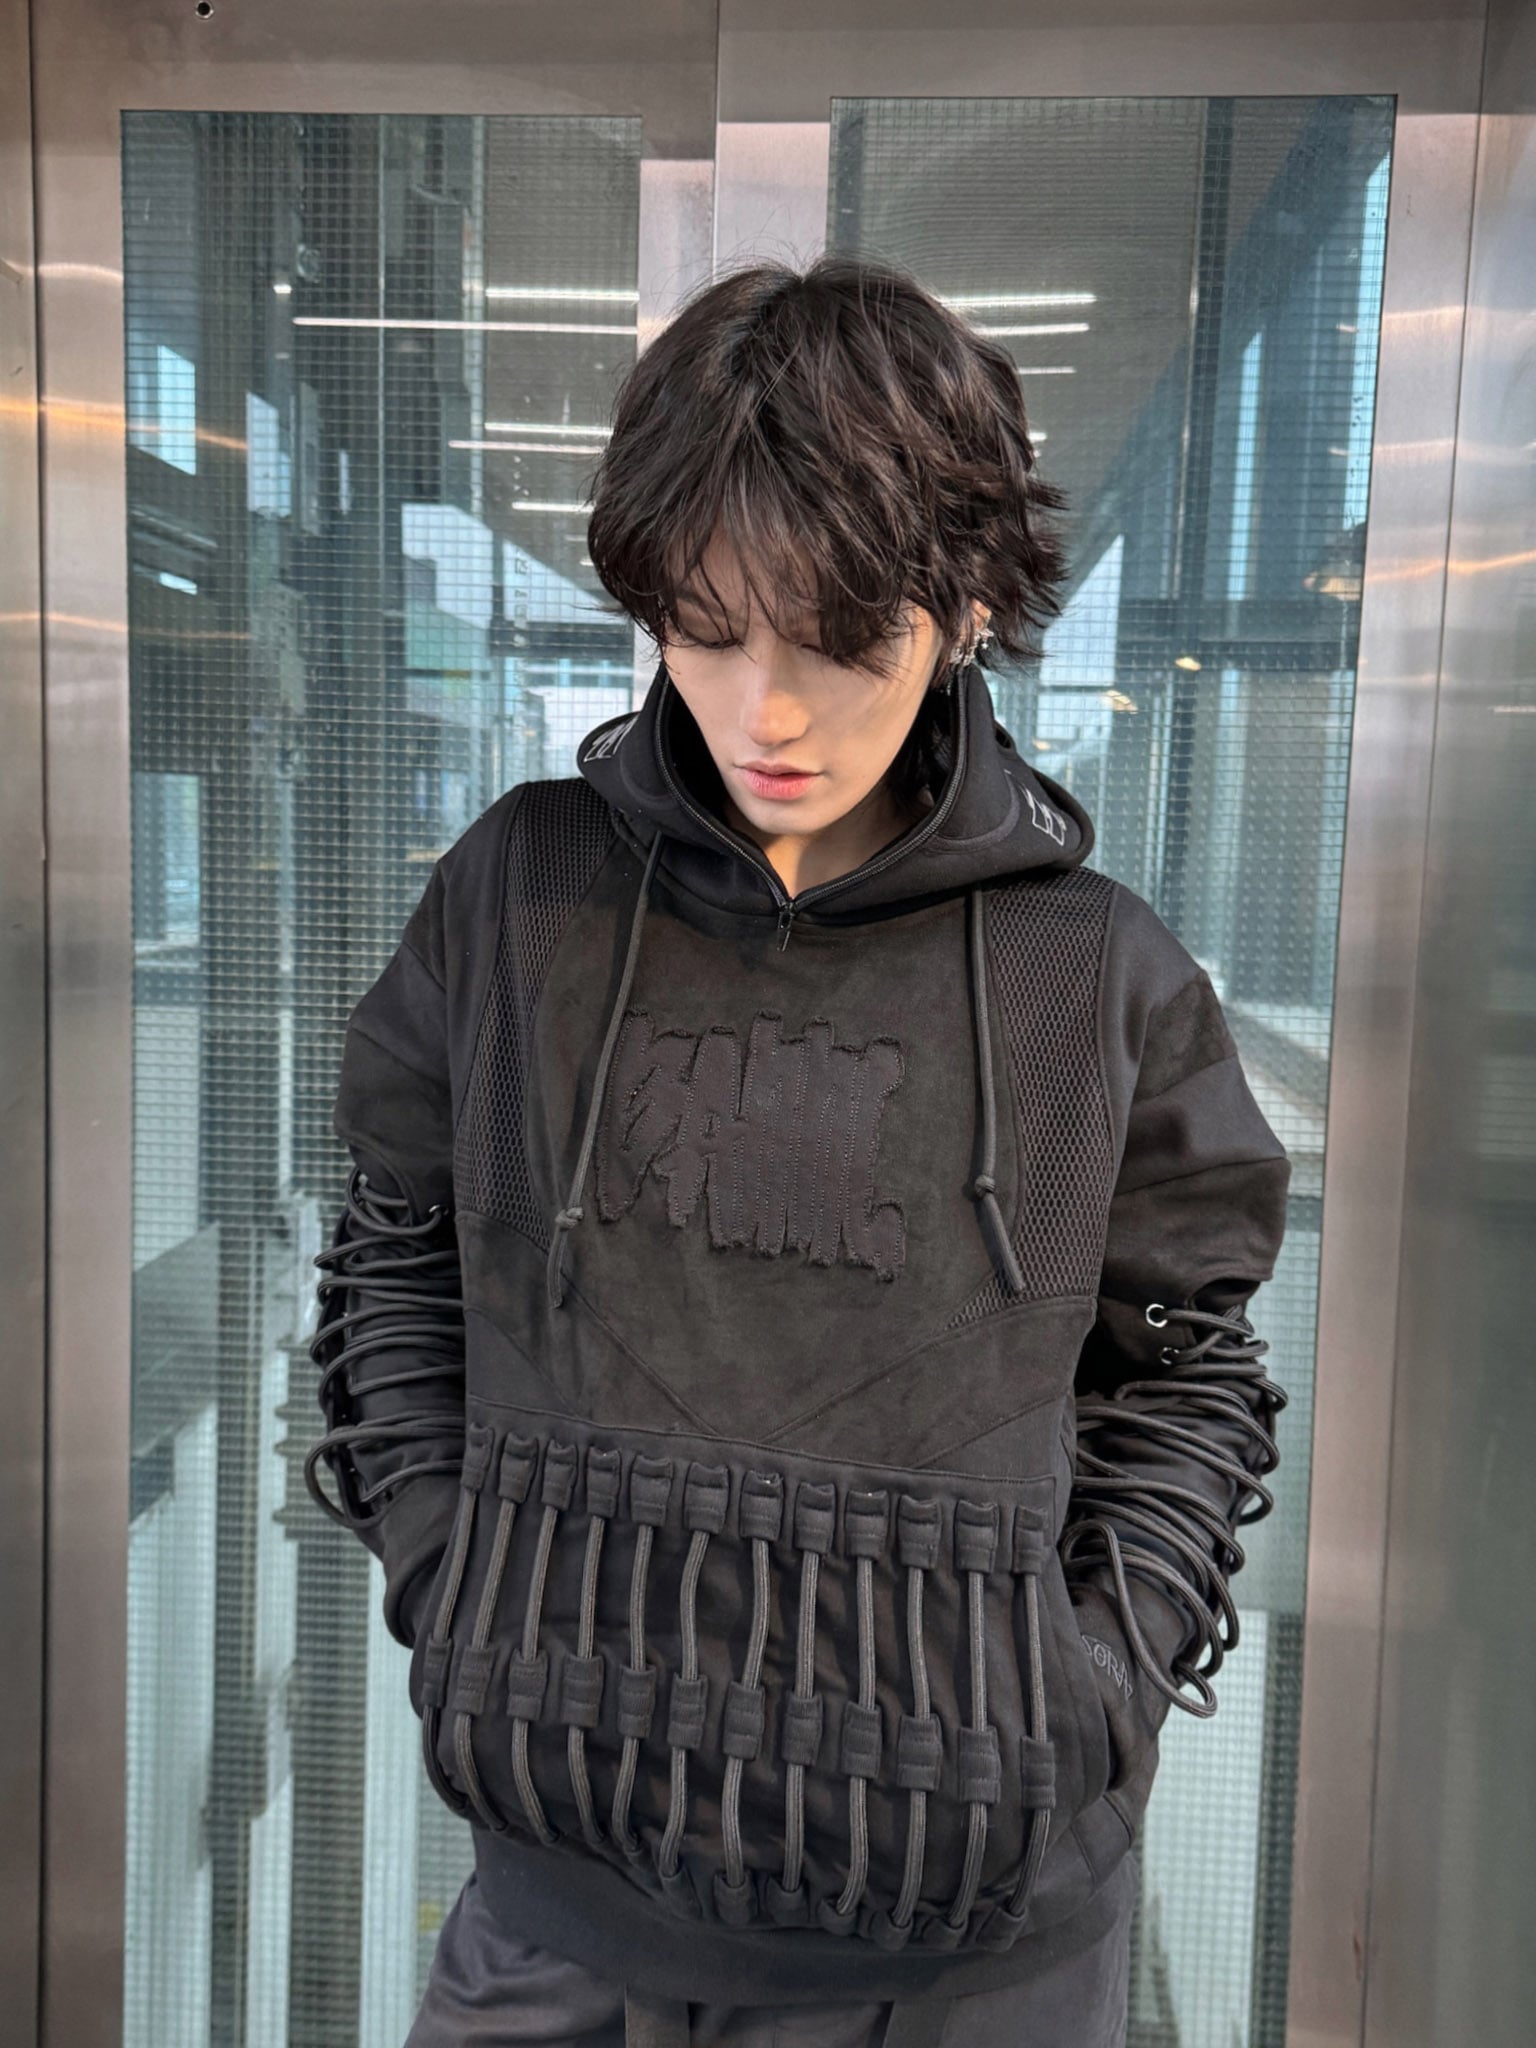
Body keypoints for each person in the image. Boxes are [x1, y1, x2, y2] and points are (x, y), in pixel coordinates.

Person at [306, 253, 1290, 2048]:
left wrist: (1084, 1694)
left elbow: (1187, 1370)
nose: (765, 710)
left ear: (967, 608)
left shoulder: (1097, 975)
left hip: (973, 1959)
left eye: (842, 643)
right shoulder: (518, 898)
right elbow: (397, 1247)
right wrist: (458, 1587)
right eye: (706, 628)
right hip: (559, 1915)